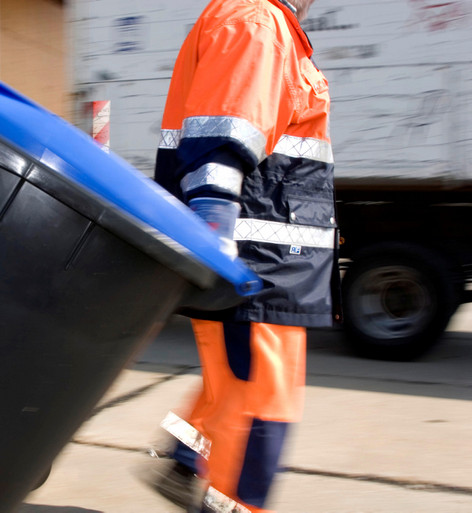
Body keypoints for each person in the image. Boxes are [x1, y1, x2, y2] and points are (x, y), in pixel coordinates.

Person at [149, 0, 340, 512]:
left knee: (228, 388)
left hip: (259, 260)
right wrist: (216, 234)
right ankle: (230, 499)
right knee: (263, 405)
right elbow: (224, 136)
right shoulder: (257, 20)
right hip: (261, 263)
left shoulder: (251, 18)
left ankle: (180, 454)